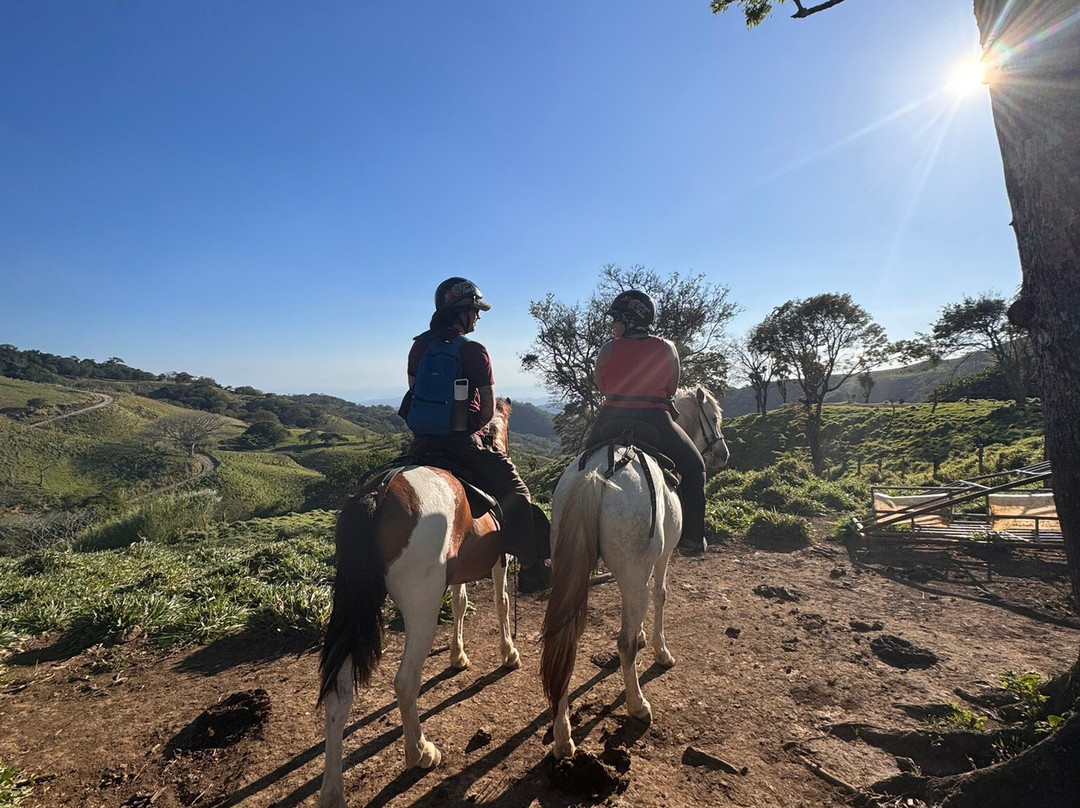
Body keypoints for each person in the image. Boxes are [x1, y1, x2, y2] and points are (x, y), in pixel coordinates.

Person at [405, 277, 551, 593]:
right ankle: (530, 569)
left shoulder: (419, 346)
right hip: (463, 444)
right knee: (519, 495)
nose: (477, 317)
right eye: (474, 310)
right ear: (459, 312)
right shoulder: (474, 351)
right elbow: (486, 410)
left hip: (422, 443)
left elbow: (413, 391)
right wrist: (470, 431)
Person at [586, 290, 708, 556]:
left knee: (580, 464)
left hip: (611, 418)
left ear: (629, 320)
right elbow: (671, 389)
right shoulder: (667, 348)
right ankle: (692, 538)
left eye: (616, 319)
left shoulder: (608, 349)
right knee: (695, 466)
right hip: (656, 420)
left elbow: (602, 387)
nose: (613, 325)